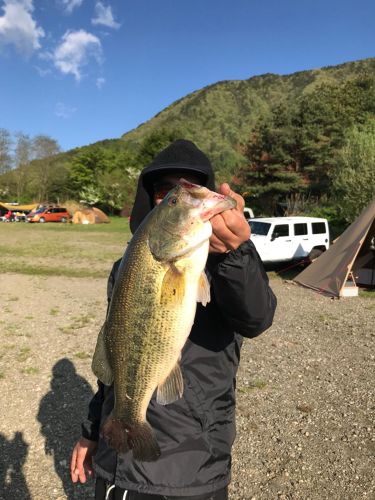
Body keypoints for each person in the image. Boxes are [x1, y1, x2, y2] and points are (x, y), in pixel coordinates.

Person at [70, 139, 277, 500]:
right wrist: (92, 429)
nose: (181, 193)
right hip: (117, 459)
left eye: (193, 185)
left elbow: (257, 318)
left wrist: (237, 254)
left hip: (193, 466)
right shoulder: (126, 268)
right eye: (168, 192)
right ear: (149, 201)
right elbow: (118, 355)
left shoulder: (225, 262)